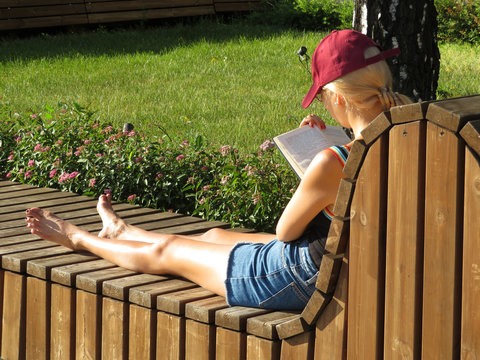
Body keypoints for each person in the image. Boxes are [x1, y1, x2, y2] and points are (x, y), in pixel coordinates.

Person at [25, 30, 411, 310]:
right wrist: (335, 137)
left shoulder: (333, 161)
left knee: (169, 250)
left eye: (325, 99)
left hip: (302, 277)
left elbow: (286, 231)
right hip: (340, 260)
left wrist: (321, 158)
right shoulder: (411, 138)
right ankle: (123, 231)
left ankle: (79, 238)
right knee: (213, 234)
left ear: (337, 99)